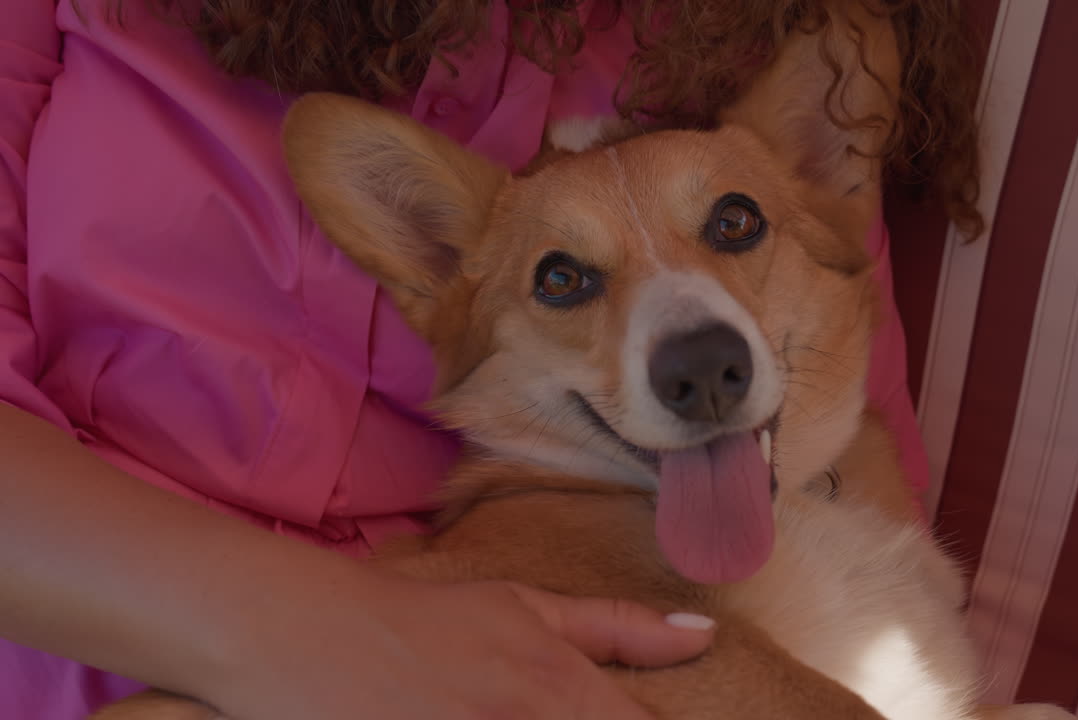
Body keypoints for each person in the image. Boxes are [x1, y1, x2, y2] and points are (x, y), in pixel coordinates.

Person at [0, 0, 980, 717]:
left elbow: (849, 439)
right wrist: (313, 637)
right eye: (564, 280)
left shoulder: (749, 39)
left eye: (726, 225)